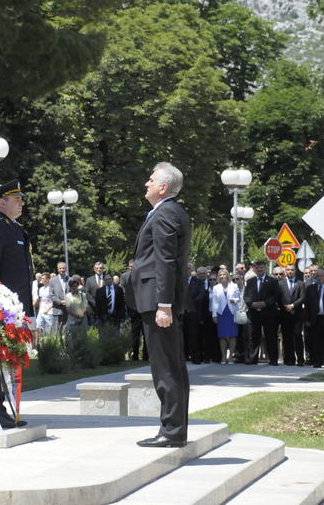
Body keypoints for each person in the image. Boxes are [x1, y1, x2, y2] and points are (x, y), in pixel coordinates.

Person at [126, 162, 190, 448]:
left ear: (163, 187)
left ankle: (172, 431)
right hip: (155, 300)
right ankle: (173, 429)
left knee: (166, 368)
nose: (146, 184)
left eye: (151, 180)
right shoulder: (167, 211)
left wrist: (164, 305)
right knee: (169, 366)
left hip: (158, 302)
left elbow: (166, 261)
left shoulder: (165, 213)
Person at [0, 179, 33, 429]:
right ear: (2, 202)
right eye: (16, 199)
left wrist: (26, 313)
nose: (21, 202)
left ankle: (1, 407)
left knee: (5, 360)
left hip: (14, 309)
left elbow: (24, 275)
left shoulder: (17, 229)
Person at [243, 260, 280, 365]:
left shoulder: (272, 281)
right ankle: (252, 359)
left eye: (262, 268)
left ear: (265, 268)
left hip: (269, 313)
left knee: (271, 337)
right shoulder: (250, 281)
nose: (259, 269)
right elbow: (246, 295)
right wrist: (251, 303)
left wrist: (265, 303)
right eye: (257, 268)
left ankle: (273, 360)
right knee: (253, 336)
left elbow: (276, 296)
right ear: (254, 269)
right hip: (254, 313)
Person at [279, 265, 305, 366]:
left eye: (292, 270)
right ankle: (289, 359)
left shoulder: (300, 283)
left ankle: (300, 359)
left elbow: (302, 297)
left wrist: (293, 305)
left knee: (297, 337)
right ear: (285, 271)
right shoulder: (280, 284)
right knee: (286, 337)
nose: (290, 272)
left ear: (295, 271)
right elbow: (278, 297)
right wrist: (284, 306)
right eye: (288, 270)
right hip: (285, 314)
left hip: (297, 315)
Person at [211, 269, 240, 364]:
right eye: (220, 275)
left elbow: (238, 298)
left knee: (232, 336)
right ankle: (223, 357)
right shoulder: (216, 287)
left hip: (231, 312)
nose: (222, 276)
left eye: (224, 274)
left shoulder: (234, 286)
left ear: (227, 275)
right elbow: (214, 302)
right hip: (221, 313)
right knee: (222, 336)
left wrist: (234, 300)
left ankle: (231, 356)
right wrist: (214, 315)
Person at [121, 259, 147, 360]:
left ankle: (145, 355)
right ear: (128, 267)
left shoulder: (142, 275)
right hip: (132, 309)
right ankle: (135, 355)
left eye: (134, 267)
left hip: (143, 309)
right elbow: (123, 291)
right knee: (134, 334)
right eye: (130, 267)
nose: (132, 269)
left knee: (145, 334)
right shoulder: (124, 276)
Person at [303, 268, 324, 368]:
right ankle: (317, 361)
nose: (319, 278)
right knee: (315, 340)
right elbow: (306, 305)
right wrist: (306, 319)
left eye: (321, 276)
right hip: (315, 318)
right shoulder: (310, 288)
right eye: (317, 276)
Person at [48, 262, 68, 335]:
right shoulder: (52, 281)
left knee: (67, 330)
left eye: (63, 268)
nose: (62, 270)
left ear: (65, 268)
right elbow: (51, 295)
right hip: (57, 309)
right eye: (60, 268)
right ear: (57, 269)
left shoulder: (70, 279)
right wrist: (60, 302)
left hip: (68, 309)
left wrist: (68, 301)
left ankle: (67, 345)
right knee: (56, 330)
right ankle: (57, 345)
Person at [34, 273, 53, 343]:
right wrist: (39, 310)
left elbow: (54, 301)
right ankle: (38, 344)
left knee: (49, 331)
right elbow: (41, 300)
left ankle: (49, 344)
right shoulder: (41, 289)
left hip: (49, 312)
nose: (42, 280)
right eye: (41, 278)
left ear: (48, 279)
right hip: (41, 311)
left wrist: (48, 310)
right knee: (38, 327)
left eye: (43, 279)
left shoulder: (52, 288)